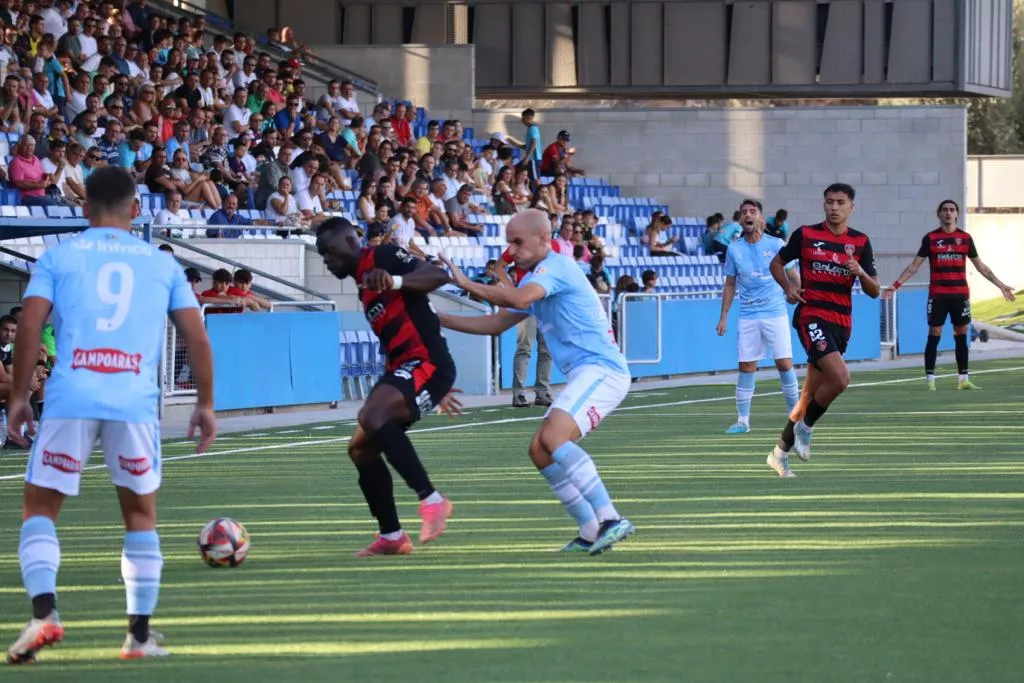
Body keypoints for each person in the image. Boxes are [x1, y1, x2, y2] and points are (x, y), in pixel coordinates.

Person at [5, 166, 216, 664]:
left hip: (71, 396)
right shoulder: (160, 264)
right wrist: (205, 403)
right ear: (136, 209)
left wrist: (18, 395)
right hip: (133, 403)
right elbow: (197, 336)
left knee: (40, 510)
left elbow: (30, 323)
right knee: (140, 516)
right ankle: (138, 637)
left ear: (83, 209)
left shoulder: (58, 256)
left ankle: (44, 615)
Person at [438, 209, 635, 555]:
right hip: (589, 373)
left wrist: (465, 283)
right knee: (540, 451)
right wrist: (434, 318)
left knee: (552, 438)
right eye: (509, 243)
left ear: (545, 238)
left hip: (603, 370)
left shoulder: (554, 268)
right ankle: (590, 529)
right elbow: (495, 324)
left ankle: (610, 517)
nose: (511, 251)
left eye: (518, 242)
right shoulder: (537, 277)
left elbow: (517, 299)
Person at [314, 217, 458, 556]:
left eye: (330, 252)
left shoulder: (384, 257)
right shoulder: (364, 285)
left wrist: (395, 280)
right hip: (409, 370)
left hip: (426, 364)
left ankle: (432, 500)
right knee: (361, 449)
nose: (327, 261)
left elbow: (439, 275)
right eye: (322, 256)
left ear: (351, 242)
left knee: (373, 416)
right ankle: (392, 536)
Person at [765, 184, 879, 477]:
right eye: (829, 202)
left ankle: (778, 454)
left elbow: (875, 290)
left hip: (841, 324)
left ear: (851, 206)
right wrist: (789, 288)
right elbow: (776, 262)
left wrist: (860, 272)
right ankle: (806, 426)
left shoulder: (861, 242)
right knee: (841, 378)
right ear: (823, 205)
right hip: (811, 316)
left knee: (807, 396)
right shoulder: (806, 234)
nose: (834, 207)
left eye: (840, 202)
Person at [886, 199, 1015, 390]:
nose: (948, 213)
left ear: (957, 214)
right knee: (935, 332)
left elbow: (981, 267)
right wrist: (895, 285)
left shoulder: (965, 238)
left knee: (961, 333)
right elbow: (914, 266)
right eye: (945, 210)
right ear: (939, 214)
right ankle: (930, 379)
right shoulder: (930, 239)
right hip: (938, 295)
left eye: (952, 210)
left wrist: (1001, 285)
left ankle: (963, 380)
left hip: (960, 295)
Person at [716, 199, 801, 435]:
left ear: (761, 217)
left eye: (752, 211)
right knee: (746, 366)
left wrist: (797, 293)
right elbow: (730, 284)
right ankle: (743, 421)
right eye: (743, 212)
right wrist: (724, 316)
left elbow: (793, 274)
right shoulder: (734, 249)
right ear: (740, 219)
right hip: (748, 314)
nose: (747, 215)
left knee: (784, 363)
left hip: (775, 312)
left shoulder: (776, 245)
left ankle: (795, 418)